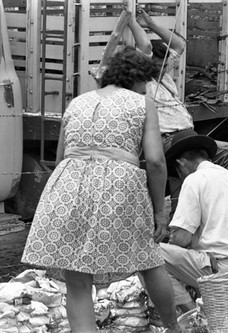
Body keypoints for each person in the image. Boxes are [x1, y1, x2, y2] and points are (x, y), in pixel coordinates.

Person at [21, 47, 185, 333]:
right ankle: (173, 328)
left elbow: (61, 158)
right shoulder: (141, 103)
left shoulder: (76, 103)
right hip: (119, 187)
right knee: (148, 259)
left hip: (68, 186)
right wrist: (159, 210)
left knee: (77, 277)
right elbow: (157, 162)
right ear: (137, 79)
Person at [128, 9, 228, 217]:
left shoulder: (164, 77)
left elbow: (179, 44)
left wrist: (151, 24)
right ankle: (179, 221)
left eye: (163, 63)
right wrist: (131, 21)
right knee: (184, 169)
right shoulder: (142, 82)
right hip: (168, 140)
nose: (162, 67)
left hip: (188, 136)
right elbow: (143, 46)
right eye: (155, 64)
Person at [158, 129, 228, 312]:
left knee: (151, 254)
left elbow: (181, 239)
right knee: (196, 254)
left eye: (178, 171)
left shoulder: (194, 179)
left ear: (181, 163)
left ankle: (192, 315)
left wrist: (168, 236)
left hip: (224, 269)